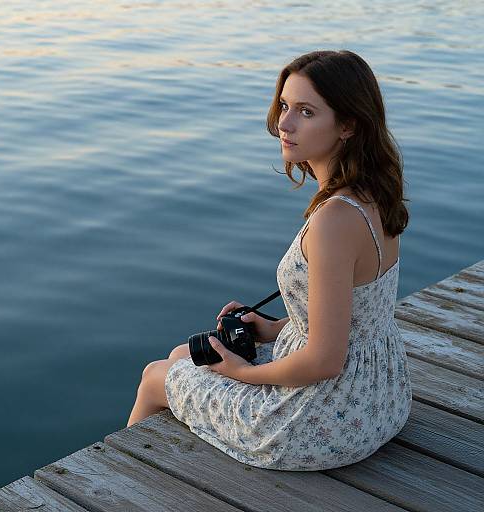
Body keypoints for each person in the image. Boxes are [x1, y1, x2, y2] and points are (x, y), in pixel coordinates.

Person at [127, 49, 412, 471]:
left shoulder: (334, 220)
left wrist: (241, 373)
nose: (284, 123)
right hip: (378, 398)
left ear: (349, 125)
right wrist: (275, 329)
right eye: (284, 105)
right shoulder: (374, 195)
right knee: (183, 355)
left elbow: (324, 360)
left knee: (155, 376)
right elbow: (355, 318)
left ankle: (116, 482)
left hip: (317, 422)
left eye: (305, 111)